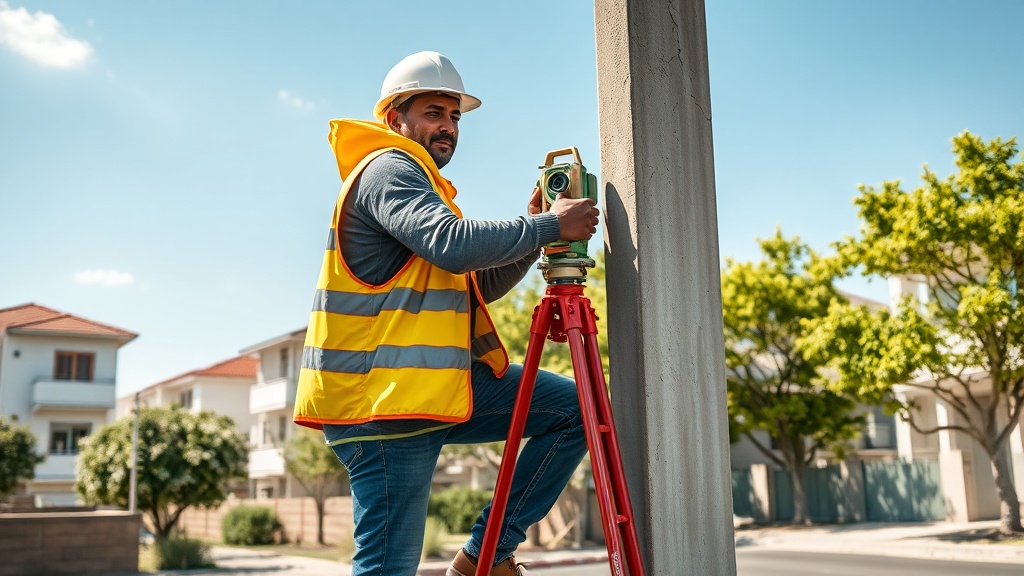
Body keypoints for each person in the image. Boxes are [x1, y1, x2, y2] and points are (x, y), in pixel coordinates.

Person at [292, 51, 600, 576]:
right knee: (387, 568)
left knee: (575, 410)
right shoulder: (389, 169)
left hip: (428, 391)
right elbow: (453, 245)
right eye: (434, 113)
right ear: (395, 118)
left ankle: (486, 555)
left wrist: (532, 234)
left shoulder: (421, 184)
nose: (449, 127)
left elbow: (474, 284)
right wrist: (549, 226)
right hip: (382, 406)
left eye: (455, 116)